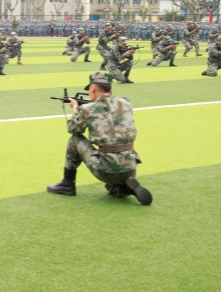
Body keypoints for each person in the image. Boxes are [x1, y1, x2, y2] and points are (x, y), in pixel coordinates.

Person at [47, 72, 152, 205]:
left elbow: (73, 129)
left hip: (106, 170)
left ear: (92, 88)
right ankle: (123, 187)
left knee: (75, 140)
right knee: (112, 187)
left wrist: (75, 110)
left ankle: (67, 184)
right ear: (111, 90)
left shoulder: (88, 109)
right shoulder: (126, 102)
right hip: (130, 167)